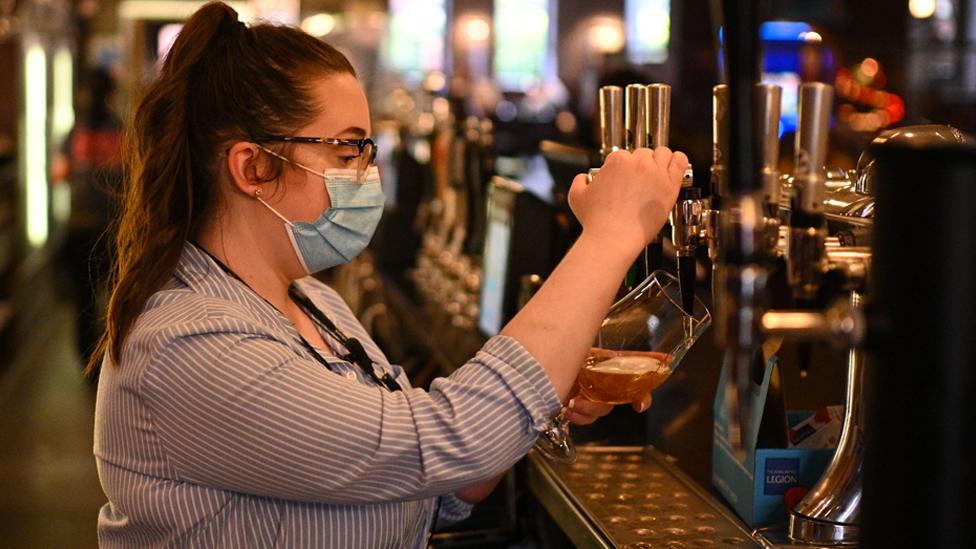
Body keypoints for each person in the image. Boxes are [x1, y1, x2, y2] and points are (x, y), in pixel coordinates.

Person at [90, 2, 688, 547]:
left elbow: (432, 487)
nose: (366, 172)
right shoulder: (192, 342)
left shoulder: (314, 304)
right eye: (347, 150)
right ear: (252, 166)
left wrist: (546, 396)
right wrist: (611, 233)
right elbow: (437, 441)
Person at [52, 67, 122, 369]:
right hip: (115, 228)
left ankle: (87, 363)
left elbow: (59, 174)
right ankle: (110, 361)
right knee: (116, 299)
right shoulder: (121, 129)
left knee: (84, 300)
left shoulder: (75, 132)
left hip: (81, 226)